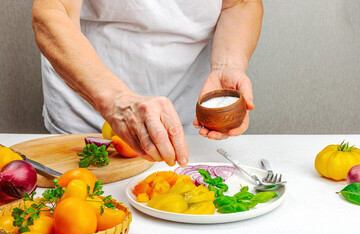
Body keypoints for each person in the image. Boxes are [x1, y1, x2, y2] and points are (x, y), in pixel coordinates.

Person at [31, 0, 263, 167]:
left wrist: (226, 66)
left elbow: (240, 4)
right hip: (88, 110)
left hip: (187, 116)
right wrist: (115, 100)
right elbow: (51, 11)